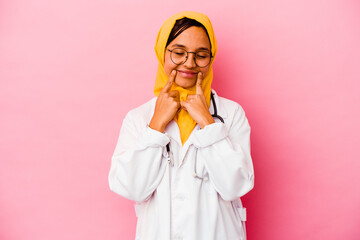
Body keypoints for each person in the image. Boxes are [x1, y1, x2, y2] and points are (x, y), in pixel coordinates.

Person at [108, 11, 254, 240]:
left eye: (201, 55)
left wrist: (207, 123)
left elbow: (236, 186)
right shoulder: (139, 118)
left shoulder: (231, 114)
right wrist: (156, 125)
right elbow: (130, 188)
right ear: (162, 54)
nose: (189, 63)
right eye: (178, 53)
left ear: (211, 58)